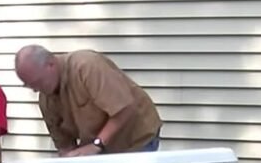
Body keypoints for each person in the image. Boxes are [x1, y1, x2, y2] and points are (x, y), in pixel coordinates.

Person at [13, 45, 162, 156]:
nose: (35, 89)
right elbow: (65, 146)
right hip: (102, 149)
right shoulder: (46, 99)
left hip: (135, 138)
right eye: (29, 85)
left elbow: (125, 108)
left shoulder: (86, 66)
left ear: (51, 65)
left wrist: (97, 144)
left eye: (37, 82)